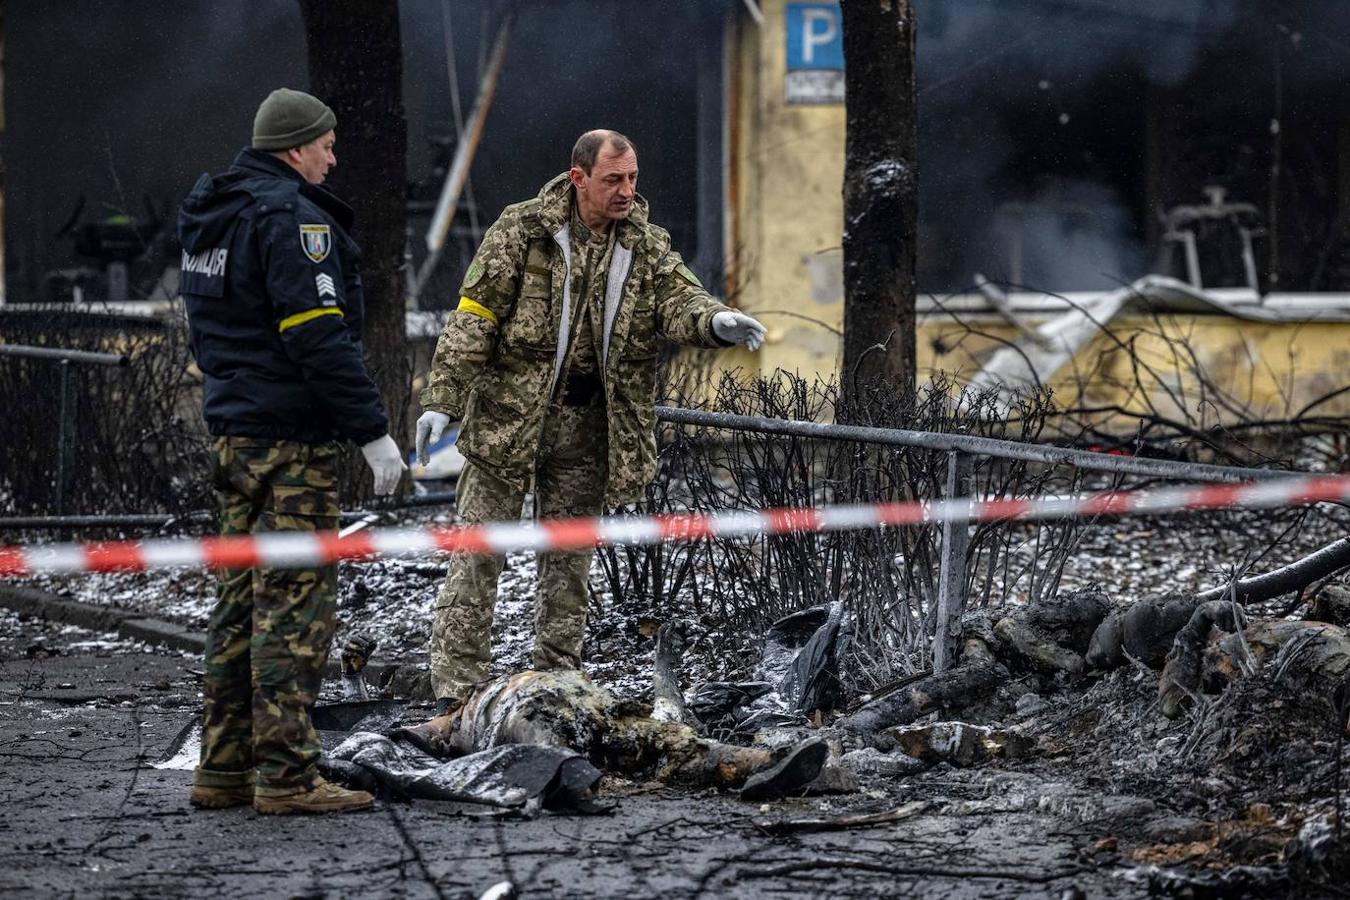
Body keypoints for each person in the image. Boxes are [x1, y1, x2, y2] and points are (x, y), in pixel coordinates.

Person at [415, 129, 765, 714]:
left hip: (586, 428)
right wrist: (442, 399)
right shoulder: (523, 230)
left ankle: (559, 683)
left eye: (632, 178)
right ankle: (456, 692)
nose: (627, 190)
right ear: (578, 178)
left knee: (569, 563)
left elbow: (680, 299)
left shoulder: (643, 244)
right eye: (613, 180)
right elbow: (474, 318)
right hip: (508, 420)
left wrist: (715, 322)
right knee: (477, 554)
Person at [178, 87, 407, 815]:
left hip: (235, 436)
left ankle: (222, 769)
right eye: (326, 146)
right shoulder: (291, 219)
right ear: (295, 147)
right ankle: (286, 777)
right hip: (290, 447)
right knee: (293, 611)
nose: (333, 159)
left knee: (237, 604)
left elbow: (210, 332)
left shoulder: (215, 216)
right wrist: (372, 431)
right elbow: (317, 335)